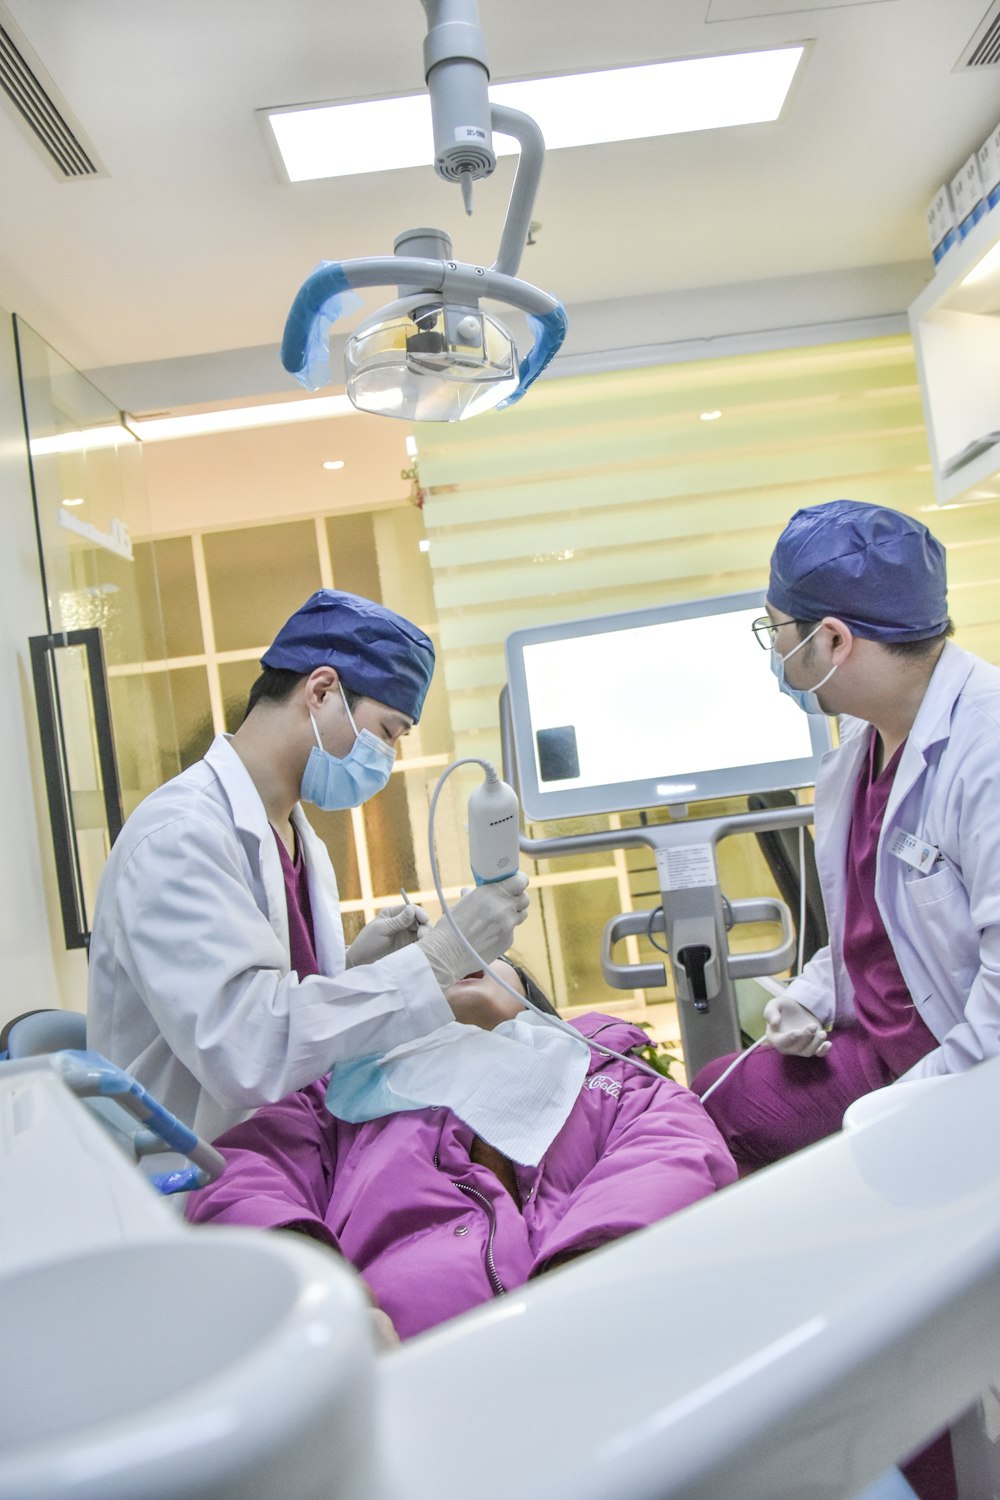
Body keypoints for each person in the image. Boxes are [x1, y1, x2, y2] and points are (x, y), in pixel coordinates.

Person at [87, 589, 530, 1142]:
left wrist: (352, 967)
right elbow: (250, 1049)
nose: (389, 757)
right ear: (321, 690)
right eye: (389, 732)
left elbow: (276, 997)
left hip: (285, 1147)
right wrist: (440, 957)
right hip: (196, 1178)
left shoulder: (295, 834)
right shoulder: (179, 837)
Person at [184, 957, 738, 1341]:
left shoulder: (612, 1080)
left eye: (491, 952)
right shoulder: (335, 1103)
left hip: (586, 1337)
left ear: (534, 1004)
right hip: (388, 1366)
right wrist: (330, 1293)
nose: (463, 958)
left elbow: (673, 1156)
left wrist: (579, 1283)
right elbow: (241, 1175)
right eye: (427, 961)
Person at [694, 499, 1000, 1167]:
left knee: (734, 1140)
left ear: (832, 639)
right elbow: (879, 929)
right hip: (881, 1041)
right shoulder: (867, 731)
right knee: (707, 1106)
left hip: (964, 1071)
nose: (774, 651)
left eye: (775, 629)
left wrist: (896, 1112)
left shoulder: (988, 755)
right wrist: (815, 991)